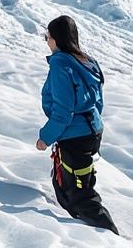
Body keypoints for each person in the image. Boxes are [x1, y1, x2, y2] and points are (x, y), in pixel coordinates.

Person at [35, 15, 119, 233]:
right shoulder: (87, 61)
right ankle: (87, 232)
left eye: (48, 36)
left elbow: (63, 110)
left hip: (74, 136)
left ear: (56, 39)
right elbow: (97, 101)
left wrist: (46, 137)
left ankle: (110, 238)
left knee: (80, 195)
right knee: (73, 186)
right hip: (91, 130)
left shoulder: (61, 65)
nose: (47, 41)